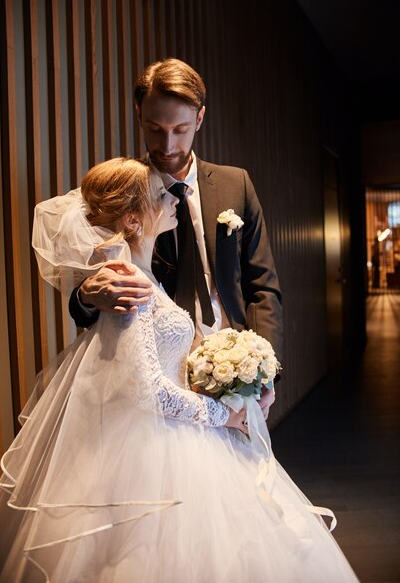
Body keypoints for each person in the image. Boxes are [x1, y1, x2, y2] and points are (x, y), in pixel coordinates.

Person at [0, 158, 358, 582]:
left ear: (197, 118)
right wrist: (223, 415)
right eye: (162, 195)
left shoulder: (145, 270)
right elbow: (148, 390)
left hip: (178, 418)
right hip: (163, 435)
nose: (173, 196)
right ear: (132, 219)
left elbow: (258, 289)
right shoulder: (129, 284)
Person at [69, 58, 282, 419]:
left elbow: (262, 285)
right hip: (163, 385)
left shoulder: (236, 184)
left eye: (180, 129)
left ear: (199, 119)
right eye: (154, 129)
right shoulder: (125, 194)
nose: (167, 145)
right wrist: (89, 293)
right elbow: (86, 299)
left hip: (235, 374)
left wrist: (266, 370)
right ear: (139, 114)